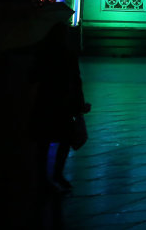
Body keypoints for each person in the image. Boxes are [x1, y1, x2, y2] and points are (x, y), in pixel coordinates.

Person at [29, 23, 90, 193]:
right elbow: (76, 81)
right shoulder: (68, 54)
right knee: (64, 139)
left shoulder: (43, 54)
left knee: (45, 141)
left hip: (46, 103)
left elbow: (32, 77)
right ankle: (57, 174)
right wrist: (80, 104)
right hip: (64, 104)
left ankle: (44, 177)